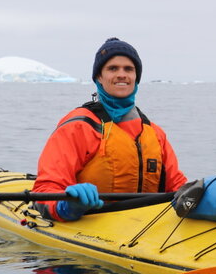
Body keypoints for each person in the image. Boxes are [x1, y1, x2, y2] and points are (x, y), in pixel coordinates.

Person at [32, 37, 189, 221]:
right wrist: (68, 206)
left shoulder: (154, 133)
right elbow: (44, 190)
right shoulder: (78, 127)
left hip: (147, 225)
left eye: (128, 69)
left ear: (136, 77)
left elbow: (178, 186)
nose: (122, 74)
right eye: (112, 68)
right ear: (99, 76)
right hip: (90, 222)